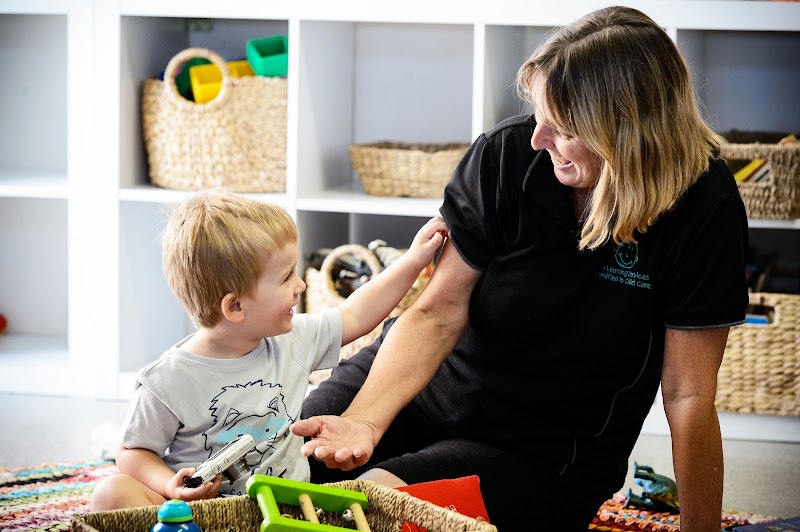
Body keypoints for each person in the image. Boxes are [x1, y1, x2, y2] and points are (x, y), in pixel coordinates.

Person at [292, 6, 749, 531]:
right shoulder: (506, 156)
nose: (538, 139)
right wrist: (364, 420)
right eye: (539, 116)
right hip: (426, 386)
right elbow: (436, 314)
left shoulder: (704, 205)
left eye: (563, 126)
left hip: (542, 453)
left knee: (365, 508)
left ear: (626, 130)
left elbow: (688, 397)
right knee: (284, 462)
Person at [89, 188, 448, 510]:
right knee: (112, 494)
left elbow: (356, 313)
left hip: (284, 511)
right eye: (286, 277)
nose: (301, 284)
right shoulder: (166, 382)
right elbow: (132, 452)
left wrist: (414, 260)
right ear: (235, 308)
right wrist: (168, 484)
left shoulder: (292, 340)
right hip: (198, 515)